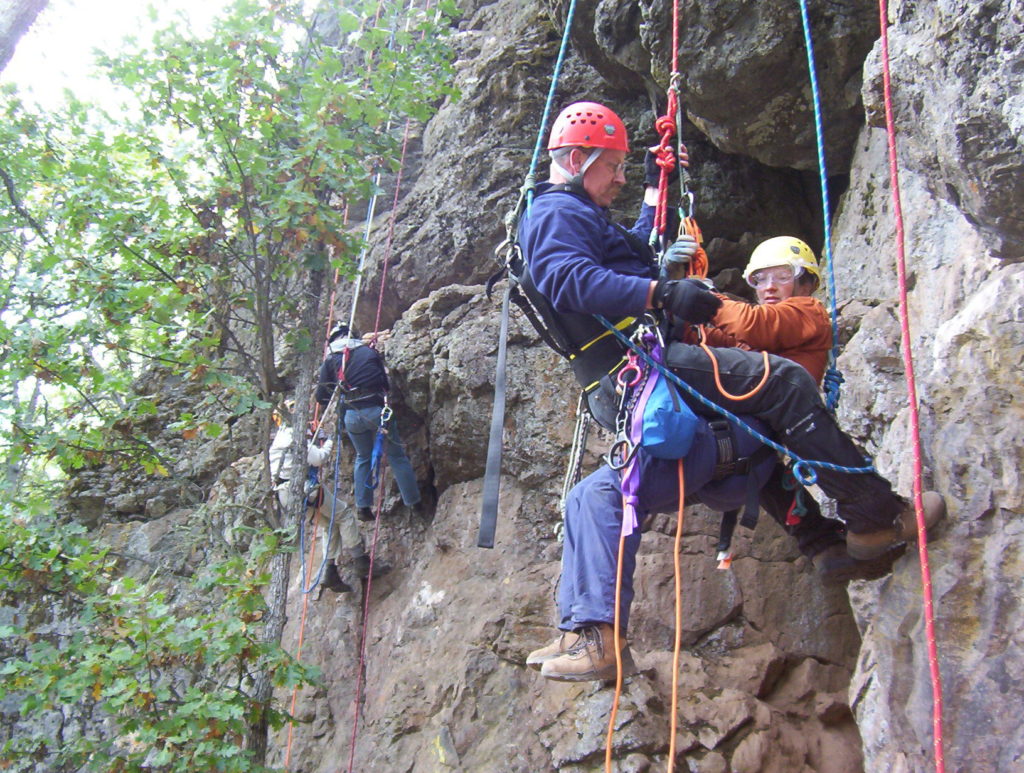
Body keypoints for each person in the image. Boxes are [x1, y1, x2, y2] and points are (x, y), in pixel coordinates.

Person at [519, 101, 945, 681]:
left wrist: (654, 189)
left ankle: (592, 634)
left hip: (633, 376)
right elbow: (570, 278)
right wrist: (663, 296)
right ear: (575, 158)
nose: (617, 178)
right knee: (784, 385)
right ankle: (875, 516)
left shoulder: (573, 213)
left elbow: (629, 253)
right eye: (613, 167)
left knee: (594, 496)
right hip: (643, 363)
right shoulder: (556, 214)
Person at [315, 323, 424, 522]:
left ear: (333, 340)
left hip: (352, 415)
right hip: (376, 411)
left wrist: (339, 392)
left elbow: (321, 396)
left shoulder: (331, 360)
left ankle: (363, 507)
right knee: (396, 457)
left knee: (363, 457)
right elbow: (385, 383)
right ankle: (414, 503)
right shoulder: (368, 353)